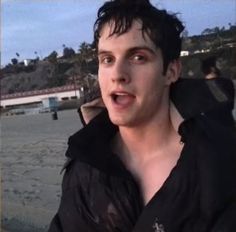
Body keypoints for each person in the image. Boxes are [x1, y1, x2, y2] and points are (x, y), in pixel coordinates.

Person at [48, 0, 236, 231]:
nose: (118, 74)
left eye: (138, 57)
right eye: (107, 59)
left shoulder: (220, 162)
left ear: (171, 71)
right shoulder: (84, 163)